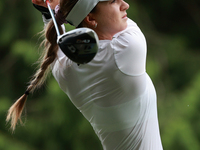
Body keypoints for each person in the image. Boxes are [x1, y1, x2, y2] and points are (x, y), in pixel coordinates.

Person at [6, 0, 163, 149]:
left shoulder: (65, 68)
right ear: (89, 17)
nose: (125, 5)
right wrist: (53, 8)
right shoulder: (127, 49)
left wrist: (57, 10)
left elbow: (57, 36)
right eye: (113, 1)